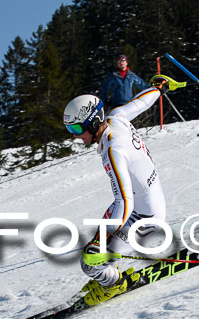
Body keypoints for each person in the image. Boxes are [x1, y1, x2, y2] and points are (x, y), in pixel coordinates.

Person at [63, 81, 167, 306]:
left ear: (93, 123)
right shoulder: (115, 117)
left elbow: (124, 201)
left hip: (145, 220)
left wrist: (101, 240)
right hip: (146, 206)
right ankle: (107, 270)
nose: (75, 136)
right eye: (71, 130)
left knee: (89, 262)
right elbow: (141, 101)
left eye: (77, 129)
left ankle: (114, 284)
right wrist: (159, 87)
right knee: (102, 233)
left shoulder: (113, 150)